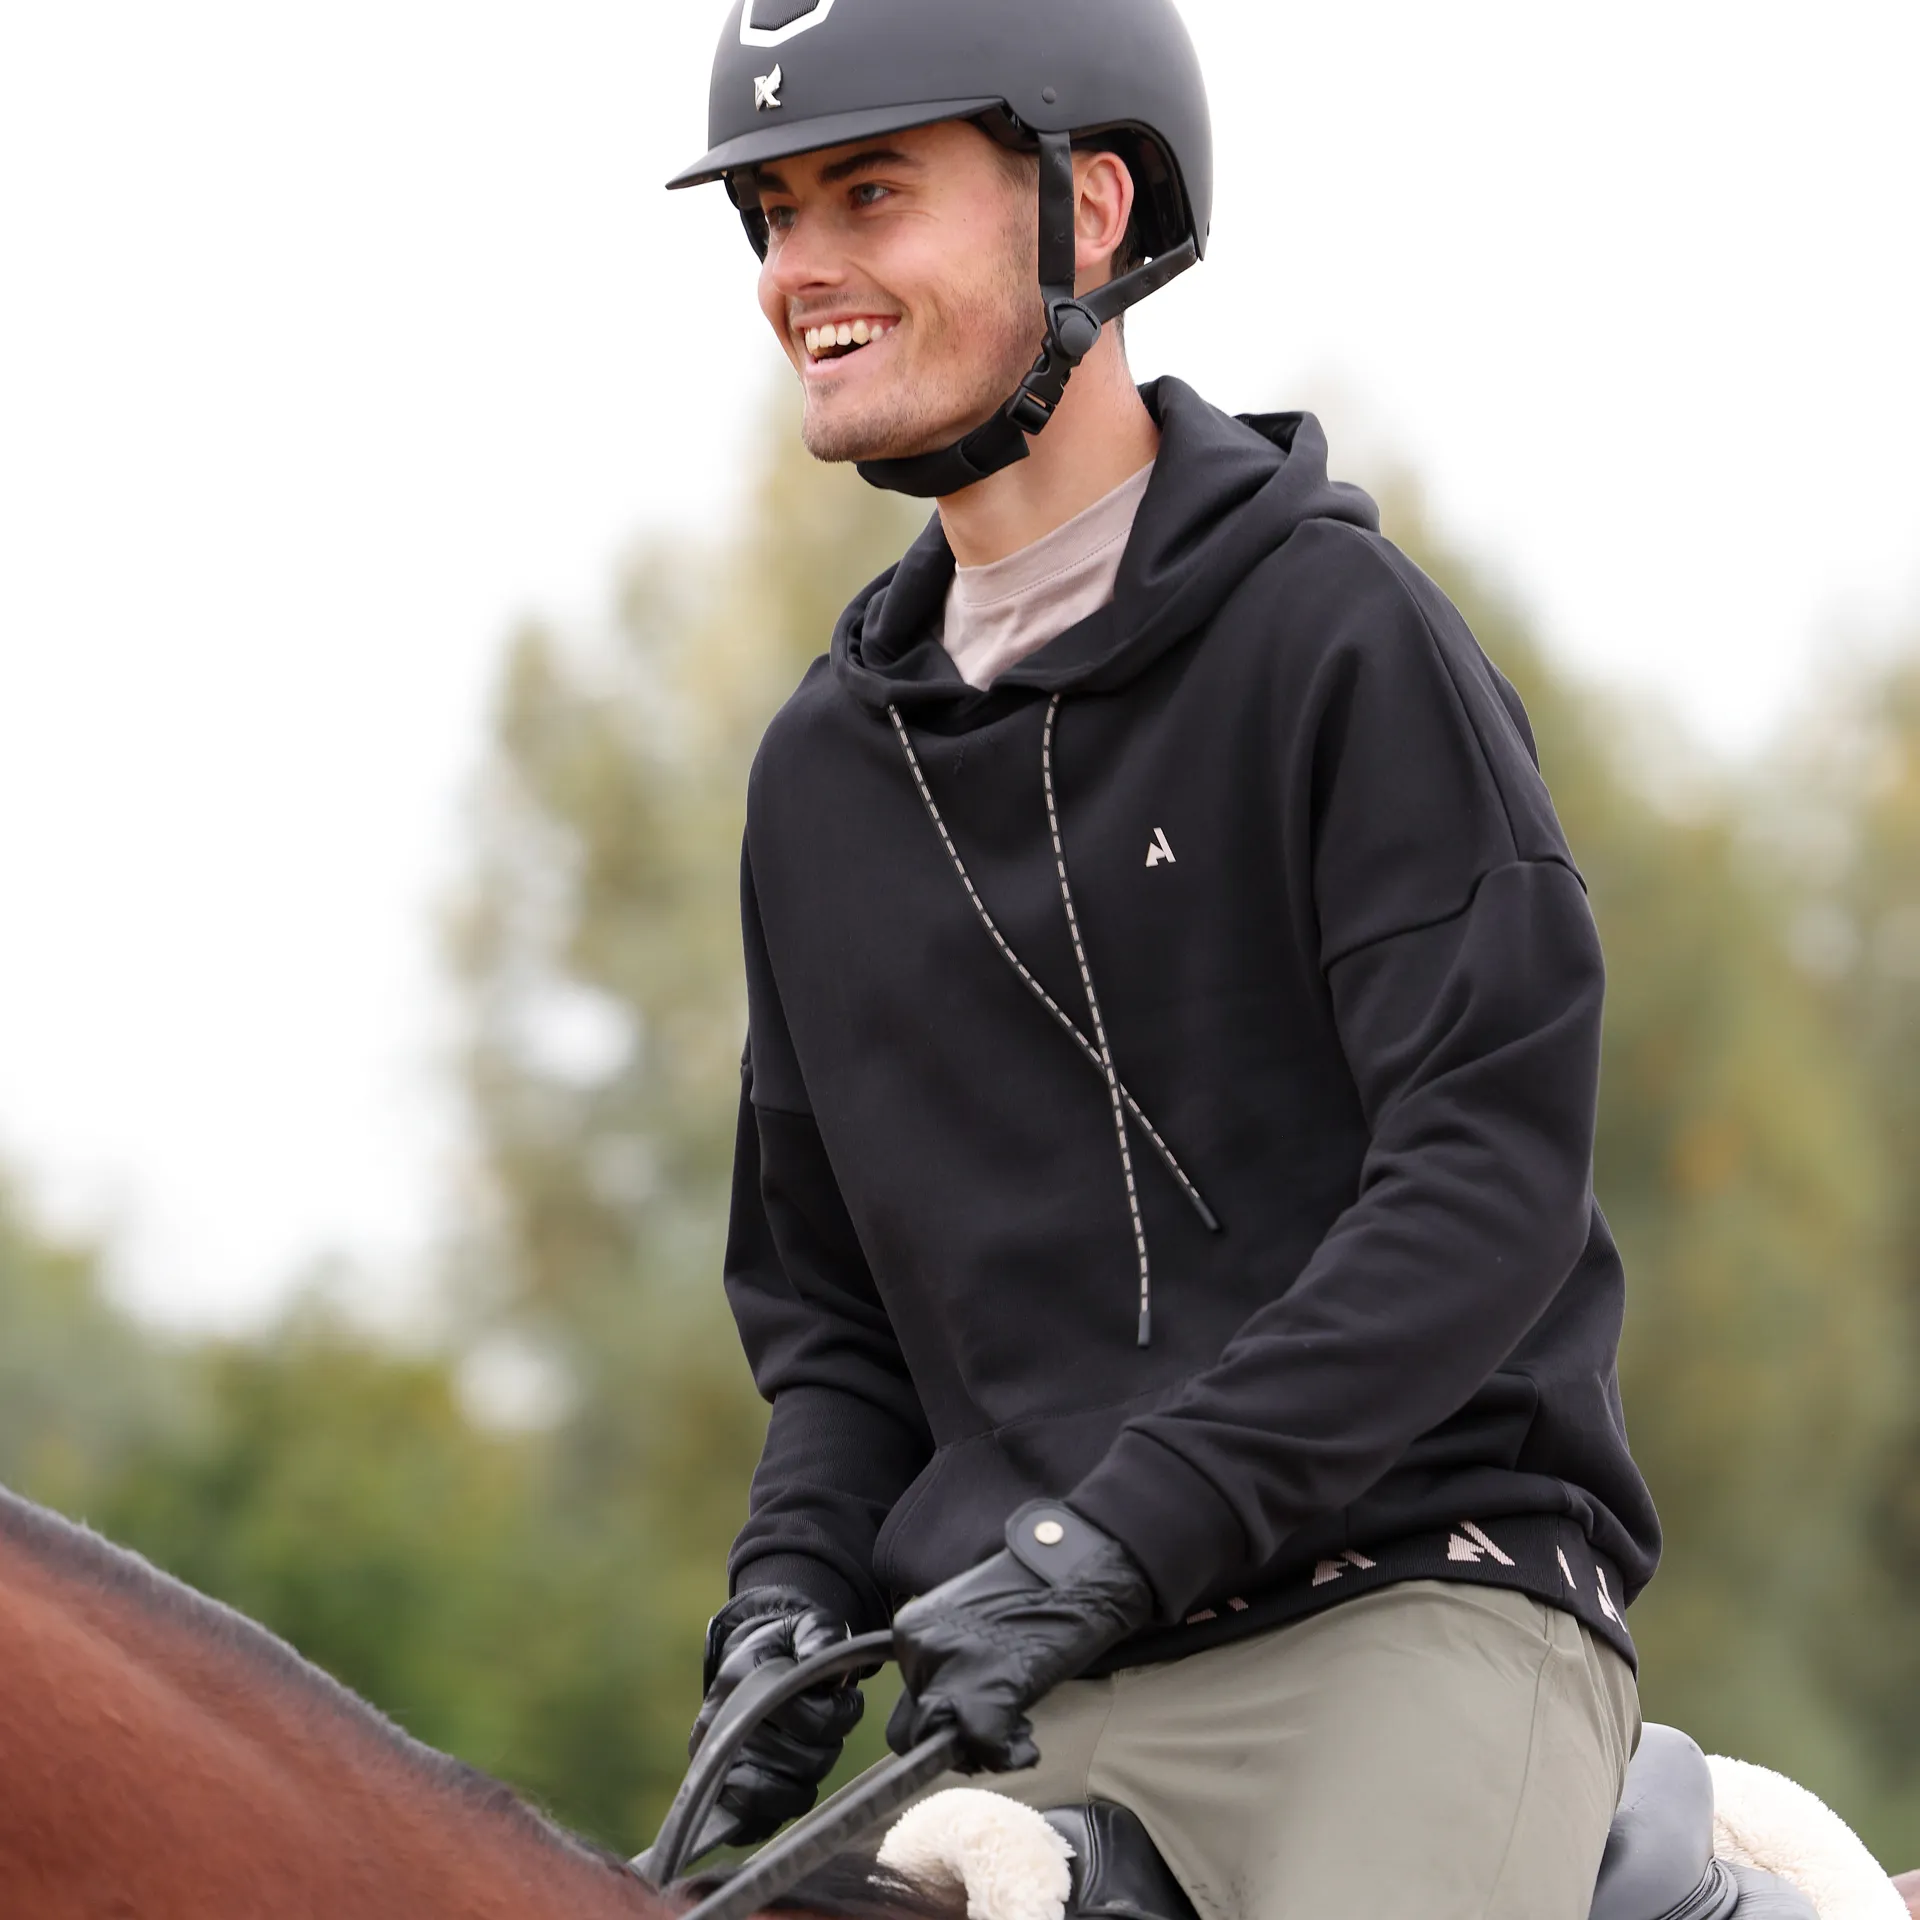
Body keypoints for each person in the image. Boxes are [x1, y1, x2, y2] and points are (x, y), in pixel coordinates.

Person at [668, 4, 1661, 1916]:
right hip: (1014, 1685)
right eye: (775, 216)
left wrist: (1123, 1533)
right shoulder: (816, 780)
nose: (800, 271)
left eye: (868, 194)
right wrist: (788, 1590)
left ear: (1093, 208)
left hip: (1407, 1620)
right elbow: (838, 1332)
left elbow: (1487, 1182)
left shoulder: (1340, 639)